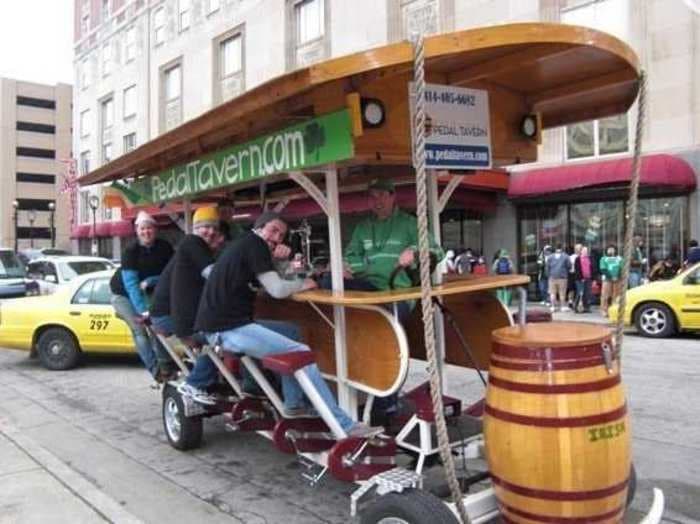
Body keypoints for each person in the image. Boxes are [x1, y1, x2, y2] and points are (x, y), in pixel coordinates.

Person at [194, 211, 381, 438]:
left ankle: (294, 403)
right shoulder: (256, 245)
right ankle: (345, 426)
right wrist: (307, 283)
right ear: (260, 228)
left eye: (281, 235)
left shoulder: (244, 244)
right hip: (228, 329)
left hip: (219, 326)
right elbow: (278, 290)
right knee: (303, 354)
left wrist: (280, 262)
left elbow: (269, 282)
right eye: (273, 230)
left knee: (292, 331)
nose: (276, 237)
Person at [110, 211, 174, 379]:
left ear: (155, 229)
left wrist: (151, 280)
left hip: (147, 290)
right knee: (140, 329)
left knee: (157, 326)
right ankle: (156, 370)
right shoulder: (130, 251)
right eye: (142, 229)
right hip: (122, 294)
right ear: (137, 231)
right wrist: (143, 312)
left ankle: (166, 364)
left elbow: (172, 273)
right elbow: (131, 286)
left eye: (149, 228)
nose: (146, 232)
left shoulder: (165, 247)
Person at [599, 245, 623, 317]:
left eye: (612, 249)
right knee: (605, 295)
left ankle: (614, 311)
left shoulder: (619, 258)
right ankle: (604, 310)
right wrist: (611, 277)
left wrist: (617, 276)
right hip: (607, 279)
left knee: (616, 295)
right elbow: (603, 269)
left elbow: (621, 268)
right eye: (609, 249)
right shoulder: (604, 258)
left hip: (617, 280)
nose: (611, 250)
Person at [546, 244, 571, 312]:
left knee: (552, 293)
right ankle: (562, 306)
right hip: (562, 277)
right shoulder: (565, 256)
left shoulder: (550, 257)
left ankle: (553, 307)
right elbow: (569, 266)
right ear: (562, 248)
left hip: (552, 277)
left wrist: (549, 275)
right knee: (562, 293)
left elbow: (547, 267)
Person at [573, 245, 593, 313]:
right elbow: (577, 269)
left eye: (586, 251)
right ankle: (576, 307)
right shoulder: (578, 259)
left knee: (587, 293)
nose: (585, 252)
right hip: (580, 279)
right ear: (581, 251)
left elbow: (592, 268)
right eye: (584, 251)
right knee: (580, 292)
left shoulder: (589, 258)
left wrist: (592, 277)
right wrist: (581, 277)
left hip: (588, 278)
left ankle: (586, 307)